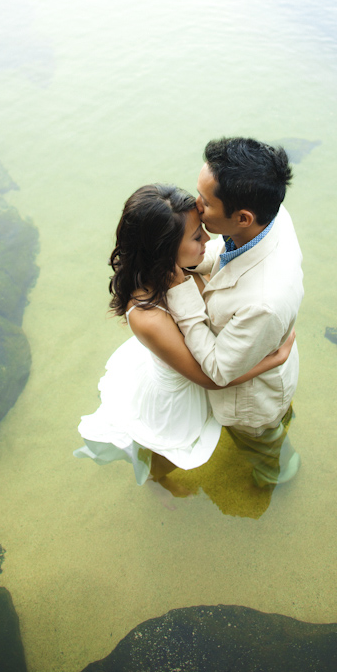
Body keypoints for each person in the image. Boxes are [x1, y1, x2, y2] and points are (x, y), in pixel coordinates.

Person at [74, 184, 295, 488]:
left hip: (195, 364)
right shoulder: (148, 316)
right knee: (168, 448)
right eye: (196, 236)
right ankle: (157, 483)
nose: (208, 237)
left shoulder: (182, 267)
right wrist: (274, 360)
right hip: (177, 393)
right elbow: (205, 378)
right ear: (164, 251)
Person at [166, 137, 304, 487]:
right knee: (274, 422)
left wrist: (180, 289)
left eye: (206, 203)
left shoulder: (264, 302)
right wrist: (190, 257)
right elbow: (226, 251)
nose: (195, 208)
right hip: (267, 358)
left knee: (259, 442)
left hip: (251, 401)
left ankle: (278, 474)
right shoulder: (272, 215)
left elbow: (217, 370)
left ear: (243, 217)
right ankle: (279, 427)